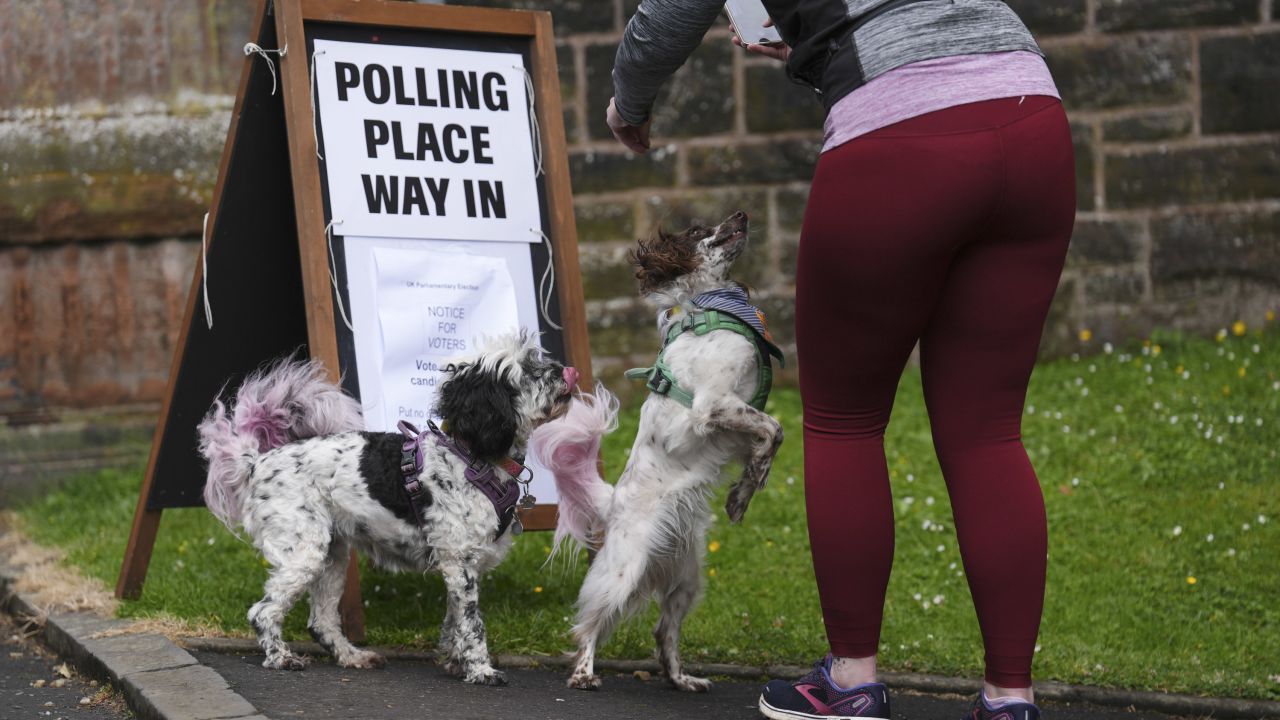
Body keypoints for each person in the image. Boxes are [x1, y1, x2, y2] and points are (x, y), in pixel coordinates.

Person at [604, 1, 1075, 719]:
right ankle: (1010, 698)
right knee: (988, 431)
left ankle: (851, 686)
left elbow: (672, 12)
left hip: (901, 130)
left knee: (845, 419)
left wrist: (629, 102)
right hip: (1030, 107)